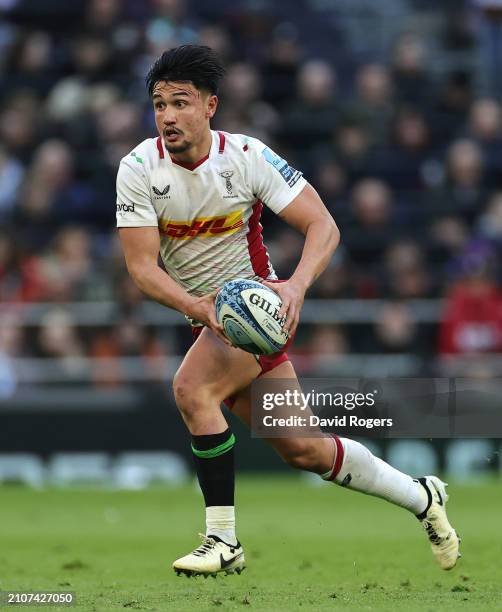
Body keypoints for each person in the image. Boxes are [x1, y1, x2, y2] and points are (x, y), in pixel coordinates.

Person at [116, 45, 459, 577]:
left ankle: (222, 538)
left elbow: (324, 225)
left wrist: (294, 288)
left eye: (180, 103)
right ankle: (422, 496)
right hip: (212, 316)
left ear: (210, 106)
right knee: (306, 451)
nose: (167, 116)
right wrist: (197, 307)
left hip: (257, 310)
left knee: (191, 389)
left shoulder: (248, 156)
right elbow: (142, 267)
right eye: (159, 104)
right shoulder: (138, 168)